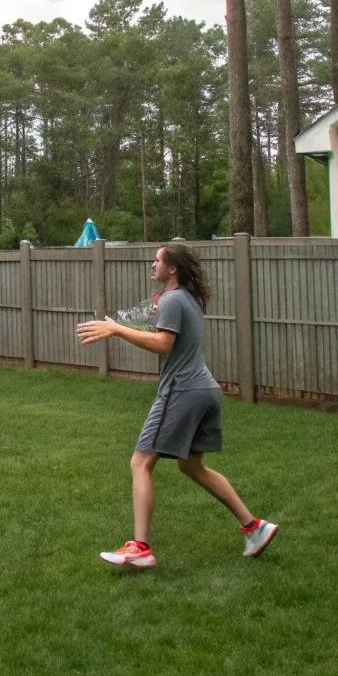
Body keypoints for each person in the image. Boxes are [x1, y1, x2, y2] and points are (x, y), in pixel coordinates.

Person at [76, 243, 278, 570]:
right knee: (192, 467)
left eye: (158, 260)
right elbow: (158, 326)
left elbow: (163, 343)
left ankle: (140, 548)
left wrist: (116, 329)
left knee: (140, 462)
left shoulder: (172, 299)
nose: (152, 264)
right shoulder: (187, 298)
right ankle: (255, 527)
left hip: (182, 390)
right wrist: (123, 323)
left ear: (173, 268)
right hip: (206, 390)